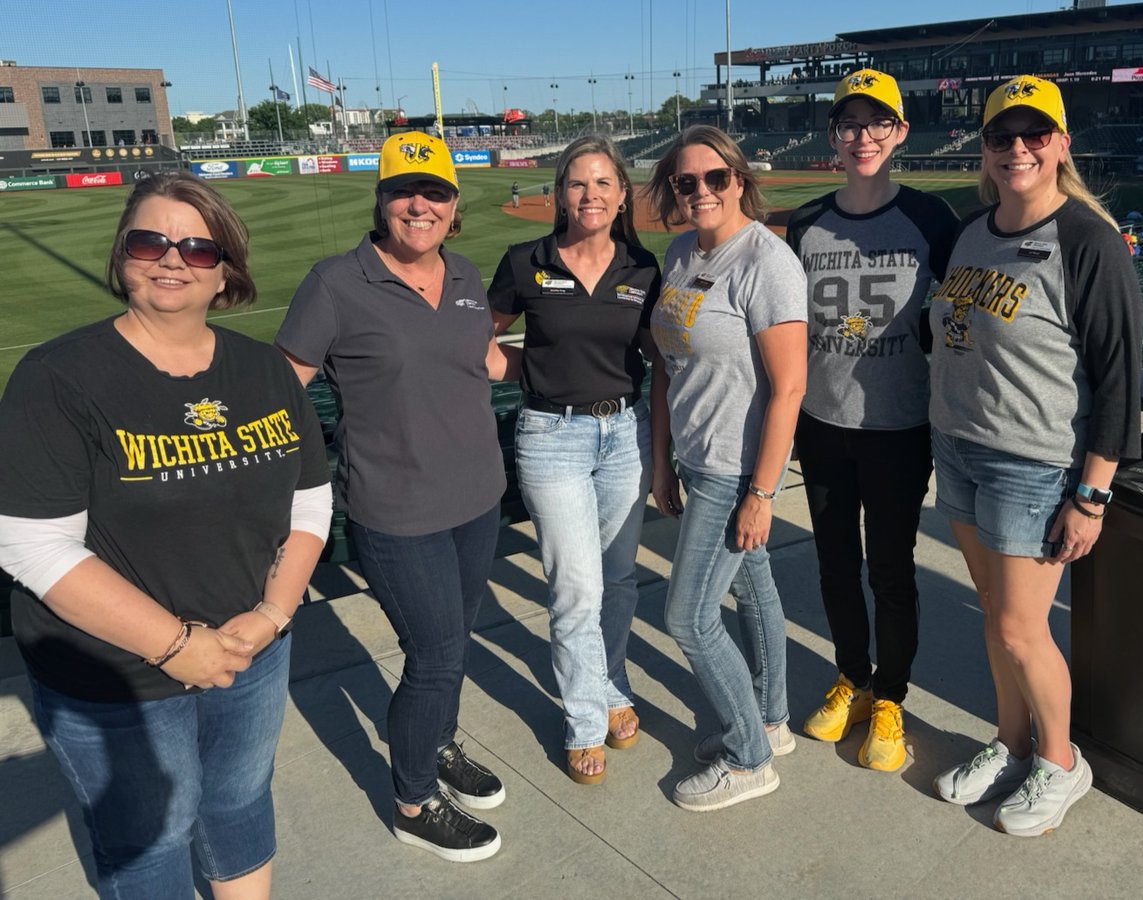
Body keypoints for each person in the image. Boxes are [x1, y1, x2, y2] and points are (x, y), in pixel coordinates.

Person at [0, 171, 332, 899]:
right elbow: (32, 544)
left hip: (252, 651)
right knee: (149, 842)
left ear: (227, 274)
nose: (172, 258)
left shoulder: (264, 371)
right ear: (123, 256)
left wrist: (271, 616)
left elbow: (310, 503)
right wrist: (180, 647)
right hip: (114, 675)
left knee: (240, 801)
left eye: (198, 247)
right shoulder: (58, 377)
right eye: (150, 240)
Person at [276, 132, 520, 862]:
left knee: (447, 646)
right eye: (403, 191)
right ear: (381, 200)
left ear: (454, 206)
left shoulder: (468, 275)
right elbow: (282, 389)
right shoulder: (336, 282)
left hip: (478, 500)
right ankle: (414, 798)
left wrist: (587, 356)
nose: (420, 204)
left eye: (436, 193)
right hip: (395, 511)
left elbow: (486, 361)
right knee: (437, 655)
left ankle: (436, 742)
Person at [928, 76, 1142, 836]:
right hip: (959, 447)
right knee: (994, 615)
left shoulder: (1086, 240)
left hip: (1034, 462)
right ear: (983, 150)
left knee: (1022, 627)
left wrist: (1092, 495)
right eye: (1000, 137)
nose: (1016, 148)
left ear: (1060, 144)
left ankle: (1059, 761)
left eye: (1034, 134)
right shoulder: (972, 229)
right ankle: (1010, 743)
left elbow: (1118, 377)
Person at [785, 69, 958, 772]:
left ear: (900, 132)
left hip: (898, 427)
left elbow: (960, 318)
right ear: (833, 136)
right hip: (823, 423)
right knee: (832, 566)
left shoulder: (931, 221)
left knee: (890, 569)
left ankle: (891, 696)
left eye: (877, 123)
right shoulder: (806, 224)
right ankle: (852, 678)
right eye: (850, 125)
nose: (863, 137)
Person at [645, 125, 808, 811]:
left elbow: (790, 386)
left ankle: (747, 756)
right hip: (694, 451)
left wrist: (761, 491)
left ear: (740, 179)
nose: (703, 191)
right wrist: (662, 460)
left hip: (734, 466)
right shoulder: (681, 252)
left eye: (717, 178)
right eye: (688, 182)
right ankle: (769, 721)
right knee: (755, 589)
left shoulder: (766, 262)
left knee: (688, 617)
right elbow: (667, 361)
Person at [488, 136, 661, 785]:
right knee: (576, 586)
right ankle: (585, 717)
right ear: (560, 193)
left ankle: (613, 686)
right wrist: (529, 367)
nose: (590, 195)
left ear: (622, 196)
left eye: (603, 184)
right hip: (550, 435)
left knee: (617, 580)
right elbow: (482, 341)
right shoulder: (524, 260)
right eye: (578, 184)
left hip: (625, 433)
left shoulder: (643, 267)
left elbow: (656, 355)